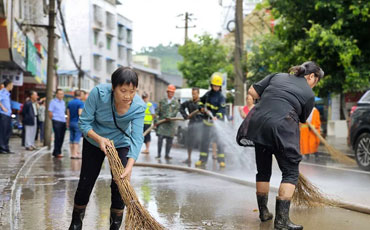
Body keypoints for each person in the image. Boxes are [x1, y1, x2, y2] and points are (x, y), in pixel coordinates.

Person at [245, 61, 324, 230]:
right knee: (290, 172)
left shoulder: (277, 76)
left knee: (263, 170)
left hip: (259, 124)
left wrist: (269, 100)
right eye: (316, 81)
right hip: (281, 128)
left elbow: (252, 91)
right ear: (311, 76)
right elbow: (302, 119)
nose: (315, 85)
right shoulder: (308, 94)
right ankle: (281, 221)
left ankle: (264, 212)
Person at [68, 67, 145, 230]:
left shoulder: (139, 106)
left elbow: (137, 138)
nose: (128, 96)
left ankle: (115, 226)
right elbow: (84, 123)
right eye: (123, 90)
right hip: (94, 140)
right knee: (85, 183)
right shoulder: (98, 94)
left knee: (119, 186)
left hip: (120, 143)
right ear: (113, 87)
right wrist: (99, 139)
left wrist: (129, 167)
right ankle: (76, 223)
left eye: (132, 91)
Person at [195, 73, 226, 168]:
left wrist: (217, 116)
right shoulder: (208, 94)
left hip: (216, 123)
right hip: (206, 122)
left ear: (220, 86)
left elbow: (222, 109)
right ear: (211, 85)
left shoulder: (221, 97)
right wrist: (201, 108)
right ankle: (202, 160)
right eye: (214, 85)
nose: (216, 87)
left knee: (219, 142)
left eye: (217, 86)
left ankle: (221, 161)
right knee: (204, 142)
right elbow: (200, 101)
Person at [155, 84, 180, 160]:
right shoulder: (162, 101)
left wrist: (170, 116)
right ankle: (159, 154)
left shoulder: (176, 102)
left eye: (172, 92)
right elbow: (157, 111)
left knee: (169, 141)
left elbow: (175, 112)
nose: (171, 93)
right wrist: (156, 121)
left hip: (171, 124)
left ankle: (167, 155)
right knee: (160, 138)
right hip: (162, 123)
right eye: (170, 92)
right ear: (167, 92)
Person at [179, 87, 203, 164]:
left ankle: (201, 159)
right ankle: (189, 158)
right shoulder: (189, 102)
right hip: (192, 123)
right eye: (192, 94)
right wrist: (185, 115)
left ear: (198, 93)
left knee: (200, 142)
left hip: (200, 124)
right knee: (190, 142)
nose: (193, 95)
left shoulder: (202, 103)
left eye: (195, 94)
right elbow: (181, 107)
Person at [49, 89, 67, 158]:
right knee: (57, 137)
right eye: (59, 94)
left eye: (62, 94)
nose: (61, 95)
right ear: (56, 94)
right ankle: (57, 152)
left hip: (63, 121)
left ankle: (56, 151)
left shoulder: (63, 102)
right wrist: (53, 120)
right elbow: (50, 112)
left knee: (62, 137)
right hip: (56, 121)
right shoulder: (53, 102)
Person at [67, 90, 84, 159]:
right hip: (77, 122)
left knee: (71, 139)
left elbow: (68, 114)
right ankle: (75, 154)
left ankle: (72, 154)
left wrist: (67, 123)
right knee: (77, 139)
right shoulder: (81, 103)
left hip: (71, 122)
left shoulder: (70, 103)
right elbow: (80, 113)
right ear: (80, 95)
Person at [0, 79, 14, 154]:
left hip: (8, 115)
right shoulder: (2, 92)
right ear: (8, 85)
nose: (12, 86)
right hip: (3, 115)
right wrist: (2, 108)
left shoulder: (8, 94)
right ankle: (2, 148)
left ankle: (6, 147)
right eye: (12, 85)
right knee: (3, 132)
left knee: (8, 131)